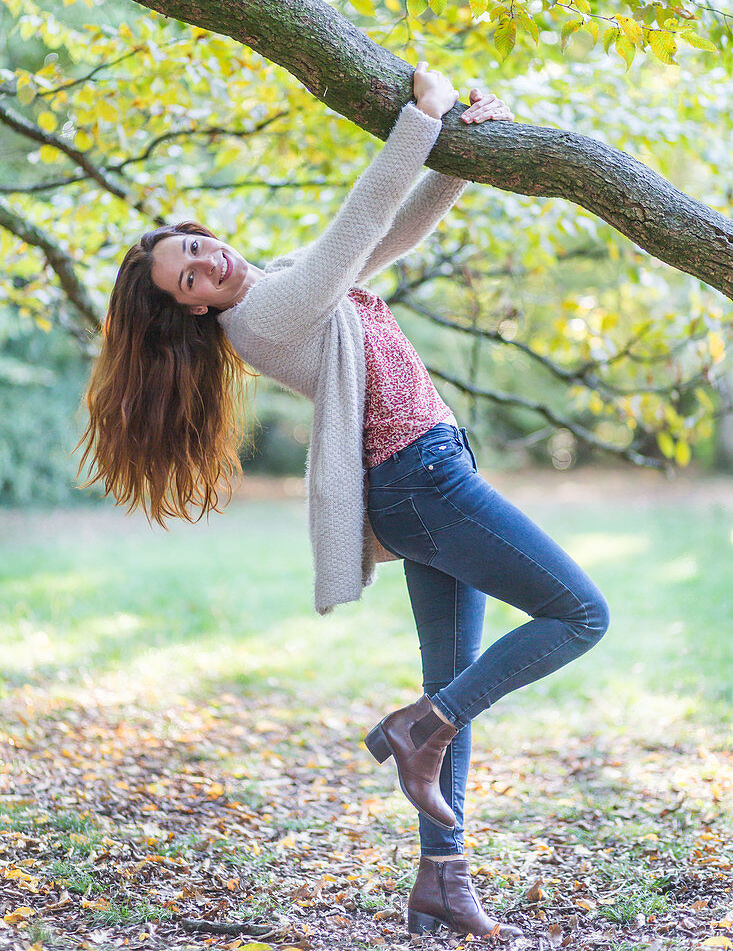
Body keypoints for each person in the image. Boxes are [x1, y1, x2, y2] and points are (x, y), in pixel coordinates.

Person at [79, 61, 609, 938]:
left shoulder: (278, 283)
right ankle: (419, 727)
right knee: (579, 615)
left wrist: (456, 153)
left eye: (198, 246)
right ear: (194, 312)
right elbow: (358, 217)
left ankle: (442, 878)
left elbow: (387, 237)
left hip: (428, 479)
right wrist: (422, 115)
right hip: (423, 484)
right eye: (191, 278)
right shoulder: (265, 316)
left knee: (453, 684)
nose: (210, 261)